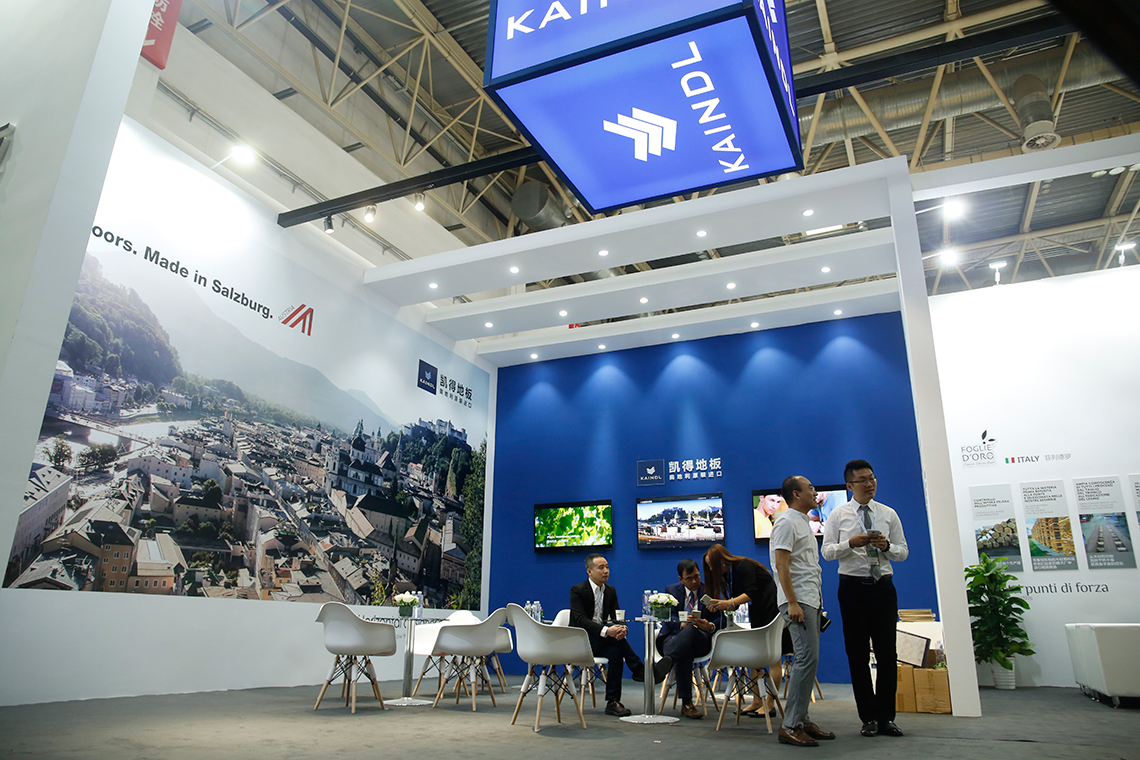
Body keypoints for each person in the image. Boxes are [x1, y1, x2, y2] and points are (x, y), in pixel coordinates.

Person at [821, 459, 909, 738]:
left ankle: (887, 718)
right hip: (852, 589)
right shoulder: (838, 515)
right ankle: (868, 717)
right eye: (862, 480)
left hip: (883, 587)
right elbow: (827, 552)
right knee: (857, 654)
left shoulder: (888, 513)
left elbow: (903, 552)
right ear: (850, 485)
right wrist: (851, 543)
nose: (869, 484)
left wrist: (887, 546)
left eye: (872, 478)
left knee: (887, 654)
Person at [771, 476, 834, 747]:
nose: (815, 492)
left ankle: (802, 720)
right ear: (796, 494)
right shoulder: (786, 522)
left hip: (809, 599)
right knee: (806, 659)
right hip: (798, 600)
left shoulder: (802, 522)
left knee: (809, 660)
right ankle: (790, 725)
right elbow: (781, 565)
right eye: (810, 489)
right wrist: (792, 602)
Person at [570, 553, 672, 717]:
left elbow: (617, 616)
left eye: (607, 567)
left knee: (616, 652)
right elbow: (581, 620)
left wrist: (623, 628)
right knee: (615, 639)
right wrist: (606, 631)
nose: (606, 571)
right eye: (601, 568)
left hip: (601, 641)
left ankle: (613, 701)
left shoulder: (610, 591)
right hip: (582, 641)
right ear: (589, 571)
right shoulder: (578, 590)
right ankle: (640, 670)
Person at [701, 543, 782, 717]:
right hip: (758, 613)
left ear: (720, 561)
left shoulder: (743, 566)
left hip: (771, 610)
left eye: (711, 565)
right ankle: (757, 701)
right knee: (754, 659)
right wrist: (720, 605)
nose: (711, 569)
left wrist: (728, 603)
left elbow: (751, 593)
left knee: (773, 659)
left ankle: (770, 704)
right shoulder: (730, 575)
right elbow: (736, 603)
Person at [655, 558, 726, 719]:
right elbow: (667, 616)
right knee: (685, 650)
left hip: (700, 639)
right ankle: (687, 704)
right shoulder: (671, 590)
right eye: (689, 578)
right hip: (674, 639)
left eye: (697, 576)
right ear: (681, 579)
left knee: (691, 630)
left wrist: (709, 626)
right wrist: (681, 624)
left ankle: (667, 662)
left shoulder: (709, 591)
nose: (694, 581)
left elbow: (722, 619)